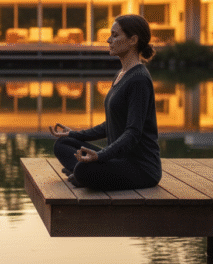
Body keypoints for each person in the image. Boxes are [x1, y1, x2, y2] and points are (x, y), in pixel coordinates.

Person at [49, 14, 161, 190]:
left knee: (84, 170)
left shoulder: (139, 80)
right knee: (63, 144)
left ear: (133, 40)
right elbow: (109, 125)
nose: (109, 40)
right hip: (117, 159)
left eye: (115, 35)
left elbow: (133, 133)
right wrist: (74, 134)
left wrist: (101, 156)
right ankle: (79, 174)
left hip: (141, 168)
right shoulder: (121, 74)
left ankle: (79, 174)